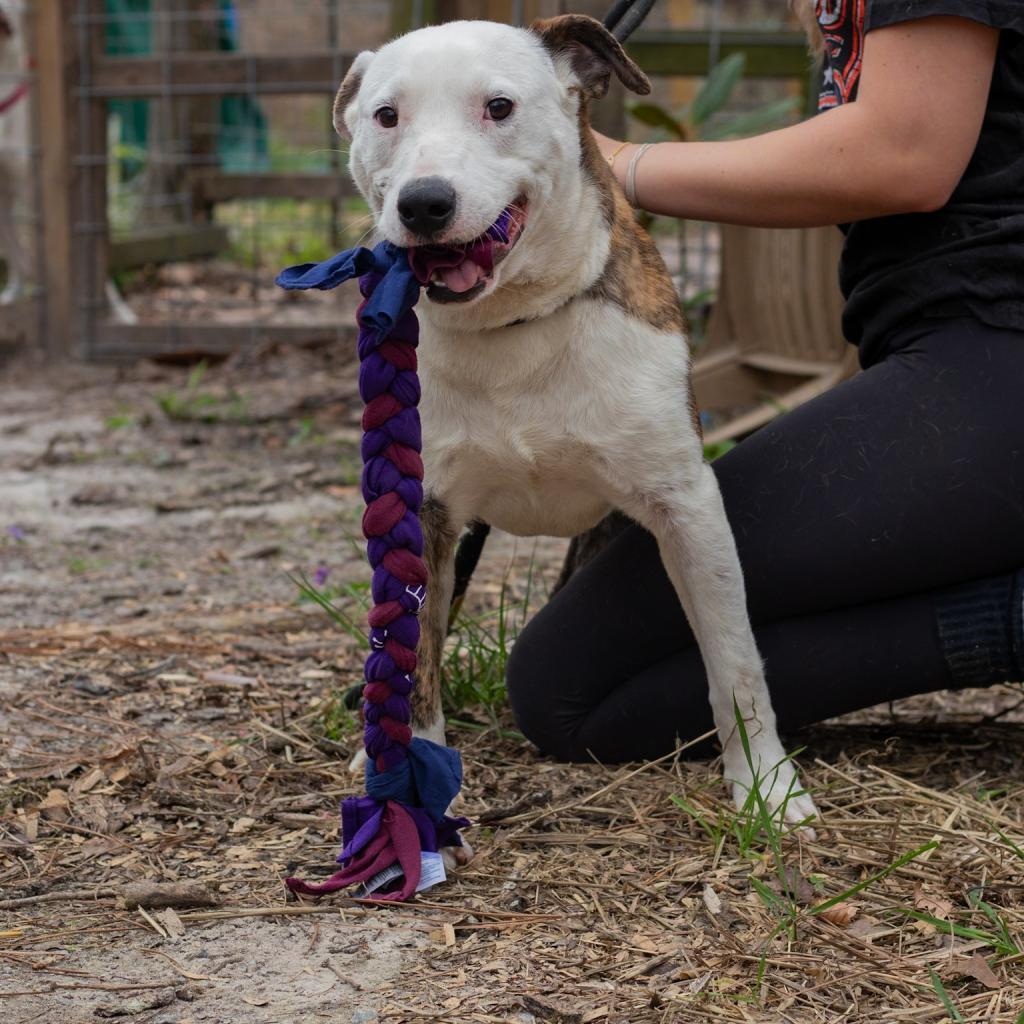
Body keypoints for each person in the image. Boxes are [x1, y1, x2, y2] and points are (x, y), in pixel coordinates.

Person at [505, 3, 1024, 763]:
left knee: (572, 691)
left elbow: (905, 153)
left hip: (993, 354)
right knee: (587, 674)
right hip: (957, 356)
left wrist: (615, 165)